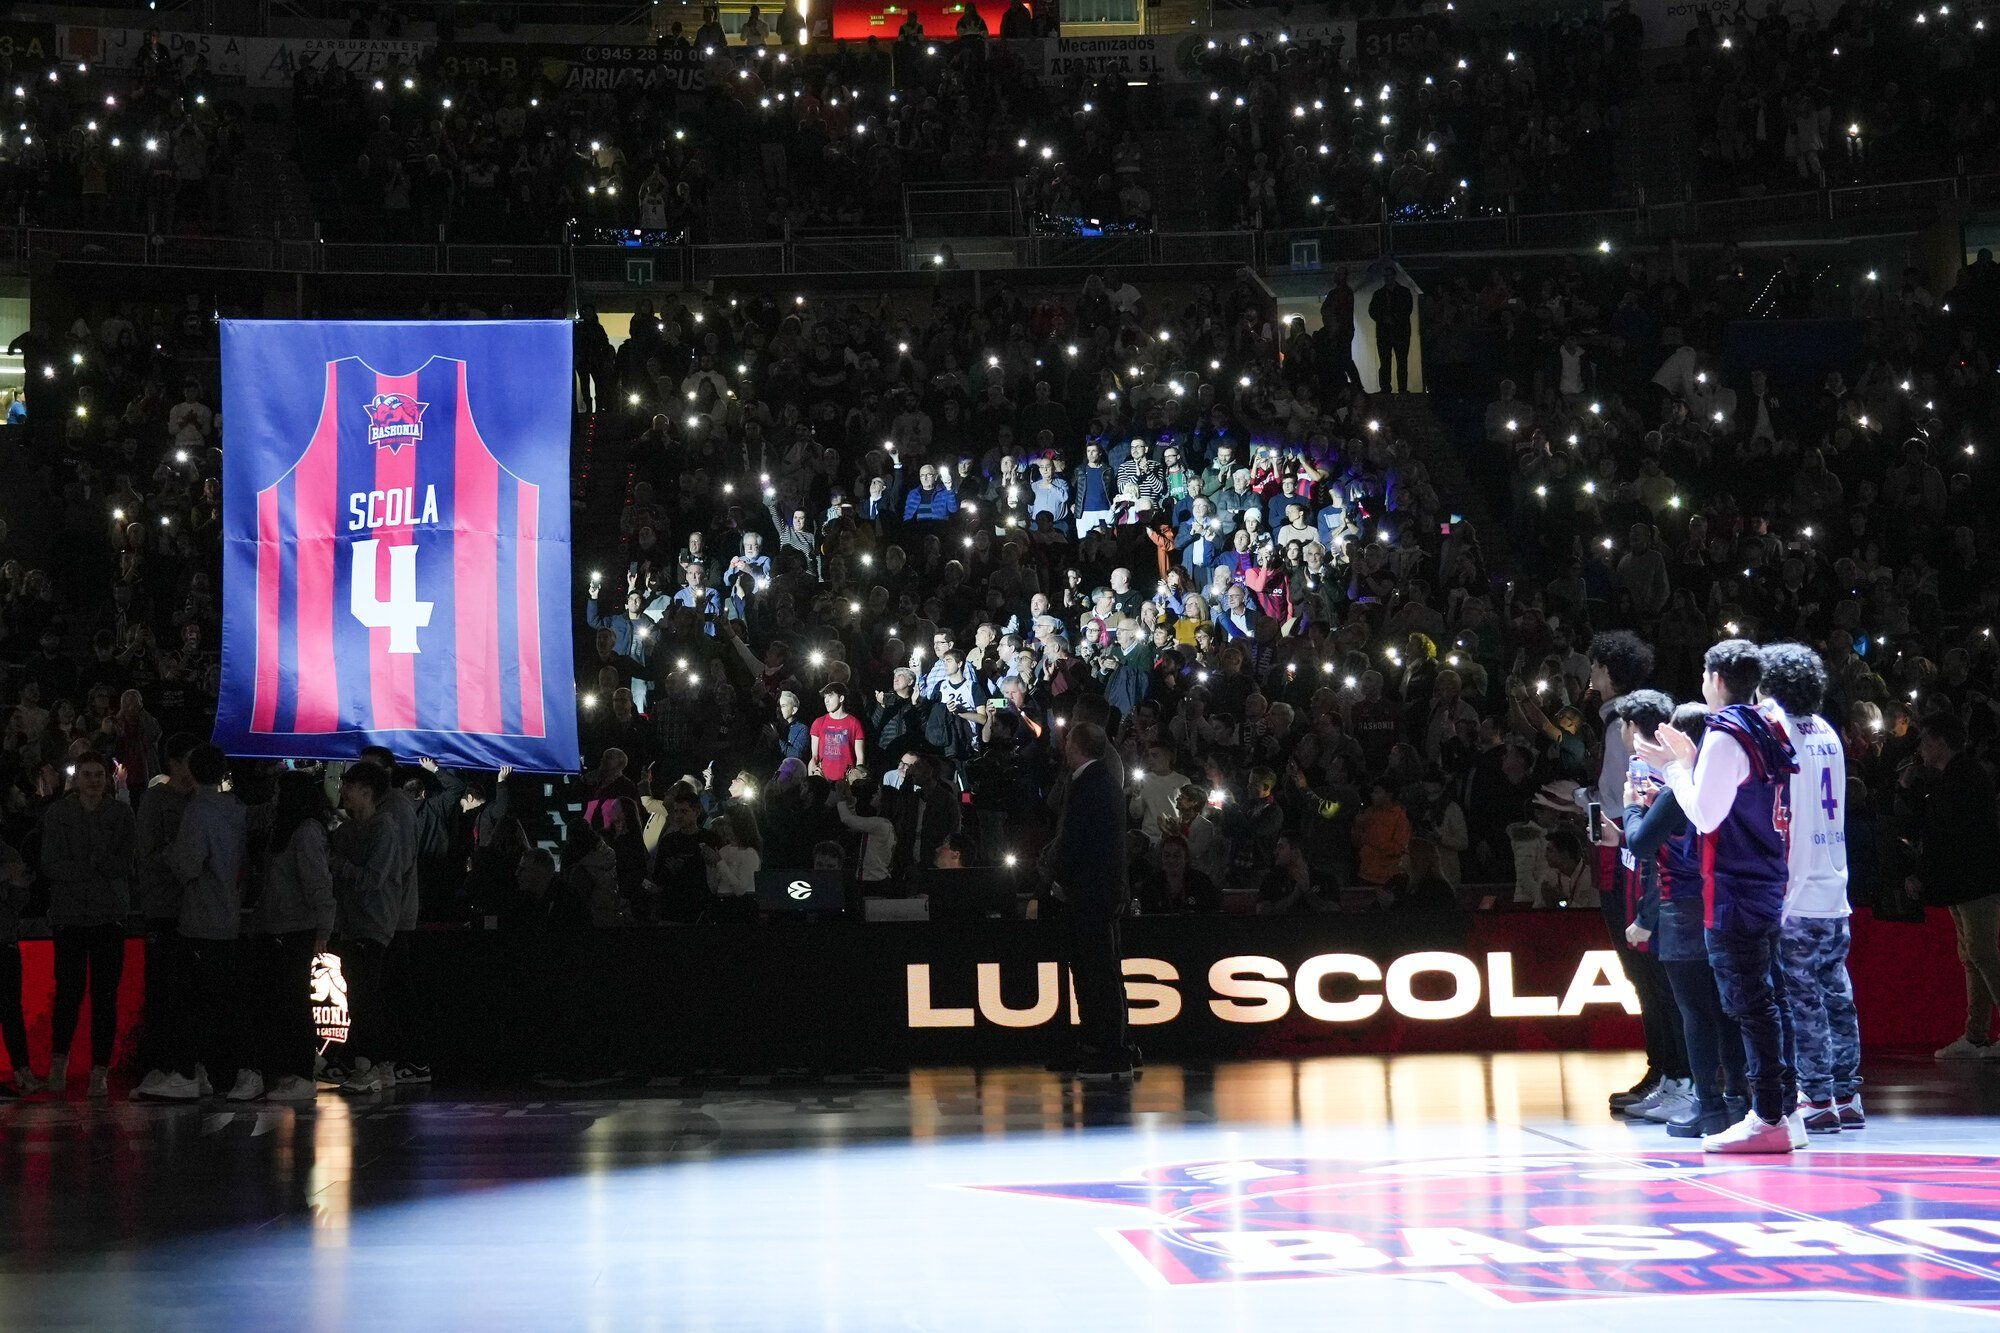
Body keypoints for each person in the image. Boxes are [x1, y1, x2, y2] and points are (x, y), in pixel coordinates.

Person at [1637, 640, 1800, 1154]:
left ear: (1714, 678)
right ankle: (1784, 1111)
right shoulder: (1768, 724)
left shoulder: (1728, 733)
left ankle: (1767, 1116)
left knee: (1751, 1006)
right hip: (1769, 878)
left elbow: (1705, 815)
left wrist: (1676, 769)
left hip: (1735, 886)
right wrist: (1688, 759)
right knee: (1770, 1001)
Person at [1621, 694, 1744, 1138]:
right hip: (1721, 902)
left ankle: (1706, 1105)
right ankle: (1737, 1101)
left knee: (1694, 1013)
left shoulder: (1678, 786)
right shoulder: (1722, 782)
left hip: (1681, 910)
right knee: (1727, 1009)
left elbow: (1639, 841)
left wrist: (1635, 805)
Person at [1584, 630, 1689, 1118]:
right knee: (1646, 974)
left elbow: (1627, 815)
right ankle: (1665, 1073)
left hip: (1634, 866)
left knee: (1651, 973)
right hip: (1627, 859)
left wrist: (1584, 803)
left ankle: (1676, 1075)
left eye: (1597, 667)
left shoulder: (1626, 731)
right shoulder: (1613, 726)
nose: (1591, 675)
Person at [1760, 643, 1862, 1132]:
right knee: (1836, 994)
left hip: (1797, 892)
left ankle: (1817, 1099)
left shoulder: (1779, 733)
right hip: (1834, 888)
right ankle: (1847, 1096)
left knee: (1804, 1002)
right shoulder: (1828, 732)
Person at [138, 744, 245, 1102]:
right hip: (229, 914)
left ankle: (189, 1072)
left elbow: (187, 865)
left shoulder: (198, 811)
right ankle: (220, 1073)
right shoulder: (235, 809)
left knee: (193, 1001)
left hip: (200, 916)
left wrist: (169, 850)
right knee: (223, 1001)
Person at [40, 751, 137, 1098]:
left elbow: (125, 863)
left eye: (98, 775)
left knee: (104, 997)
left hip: (108, 915)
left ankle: (100, 1071)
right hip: (70, 916)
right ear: (77, 778)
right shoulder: (59, 813)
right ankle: (59, 1065)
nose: (94, 781)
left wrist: (87, 865)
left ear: (107, 779)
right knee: (68, 993)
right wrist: (94, 865)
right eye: (87, 775)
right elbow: (50, 863)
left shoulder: (120, 813)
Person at [239, 768, 335, 1102]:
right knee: (285, 1000)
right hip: (280, 926)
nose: (274, 798)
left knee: (293, 1001)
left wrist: (323, 926)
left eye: (280, 793)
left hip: (293, 928)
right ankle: (299, 1068)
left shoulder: (305, 832)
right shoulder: (289, 829)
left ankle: (303, 1073)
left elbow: (318, 883)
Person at [1907, 716, 2000, 1061]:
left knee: (1982, 954)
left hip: (1976, 881)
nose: (1921, 748)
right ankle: (1975, 1035)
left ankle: (1977, 1034)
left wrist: (1924, 873)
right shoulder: (1960, 776)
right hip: (1969, 881)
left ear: (1942, 742)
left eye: (1925, 740)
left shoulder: (1961, 779)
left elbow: (1945, 836)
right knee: (1974, 956)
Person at [1047, 721, 1131, 1080]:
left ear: (1074, 744)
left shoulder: (1090, 784)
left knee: (1097, 972)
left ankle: (1109, 1049)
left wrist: (1055, 874)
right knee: (1098, 970)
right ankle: (1102, 1043)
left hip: (1090, 893)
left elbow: (1076, 839)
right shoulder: (1103, 781)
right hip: (1098, 891)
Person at [327, 762, 405, 1093]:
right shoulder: (347, 831)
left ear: (367, 792)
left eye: (349, 785)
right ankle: (378, 1064)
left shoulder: (384, 830)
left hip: (372, 926)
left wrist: (340, 866)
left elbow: (373, 880)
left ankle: (367, 1066)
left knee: (364, 997)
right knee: (361, 995)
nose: (342, 791)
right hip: (351, 926)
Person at [0, 836, 35, 1096]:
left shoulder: (9, 850)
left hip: (5, 940)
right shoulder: (8, 855)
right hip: (6, 938)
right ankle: (22, 1069)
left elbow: (17, 903)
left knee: (12, 1008)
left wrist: (19, 884)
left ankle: (23, 1069)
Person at [808, 684, 867, 781]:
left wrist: (856, 780)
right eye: (825, 697)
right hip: (824, 780)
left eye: (830, 696)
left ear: (841, 698)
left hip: (846, 782)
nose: (826, 700)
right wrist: (812, 778)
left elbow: (860, 757)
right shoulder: (818, 722)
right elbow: (814, 756)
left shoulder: (854, 723)